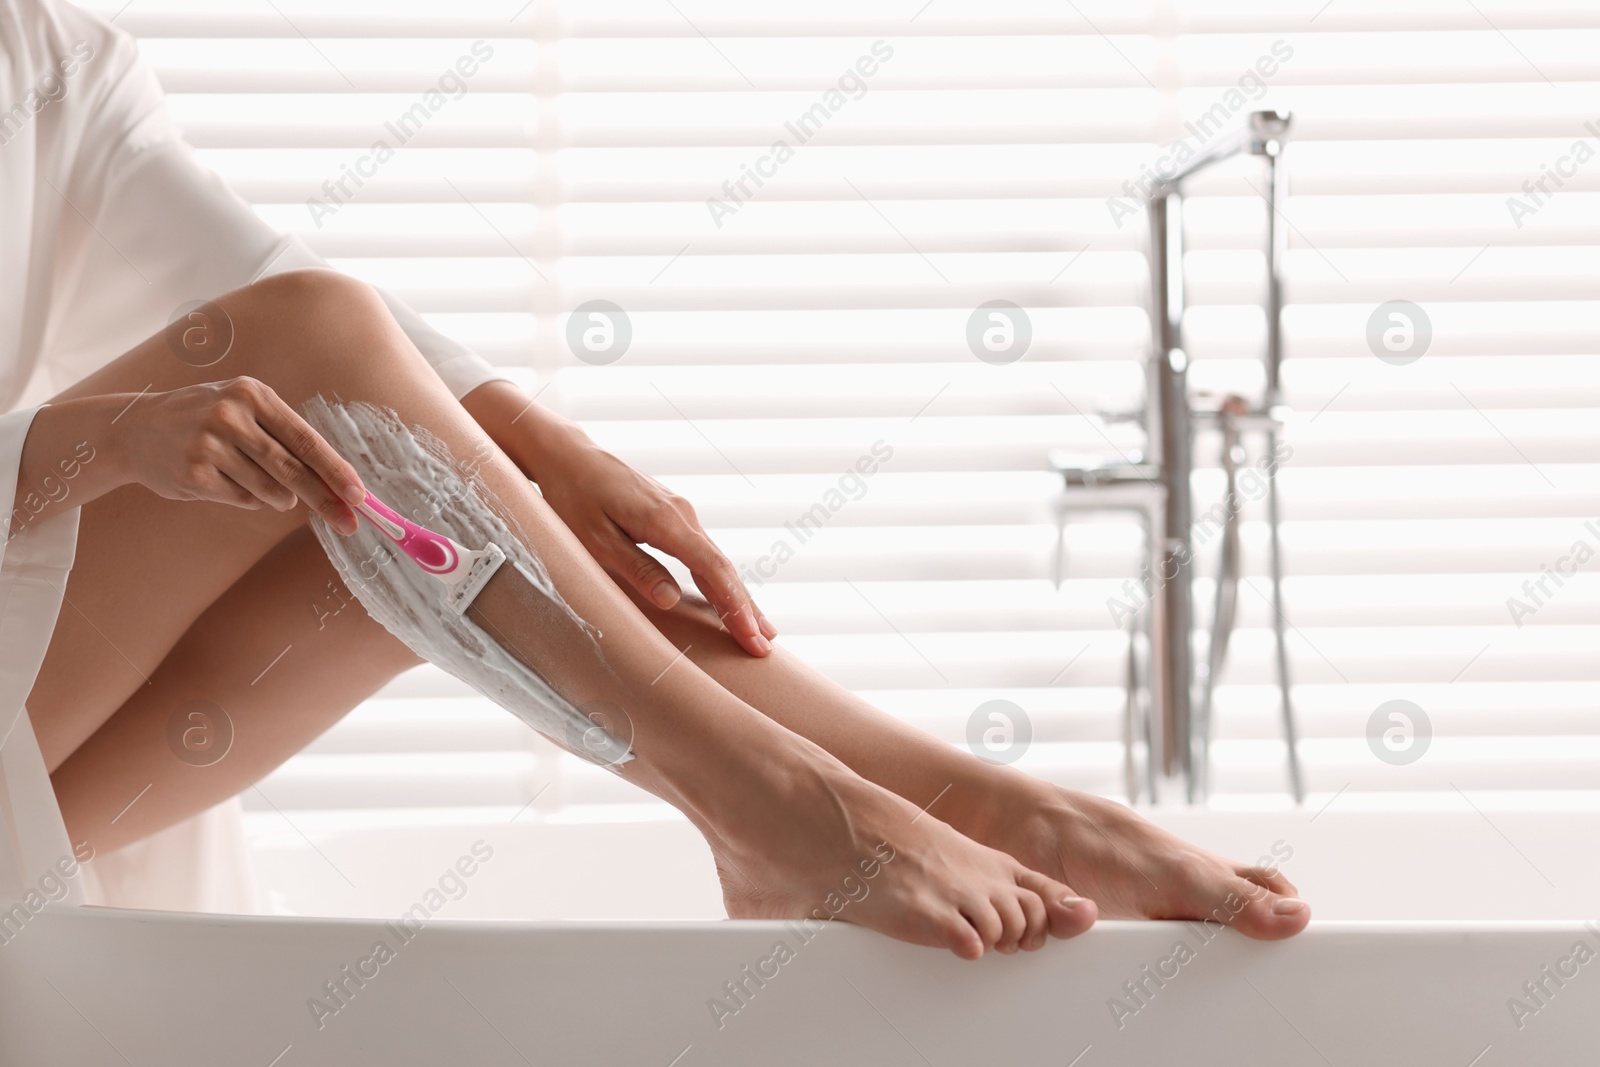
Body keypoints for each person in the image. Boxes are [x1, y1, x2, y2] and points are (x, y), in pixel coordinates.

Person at [0, 0, 1308, 959]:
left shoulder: (41, 52)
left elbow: (234, 261)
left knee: (393, 524)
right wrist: (101, 444)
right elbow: (299, 328)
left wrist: (548, 454)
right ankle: (767, 801)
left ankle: (973, 797)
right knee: (332, 366)